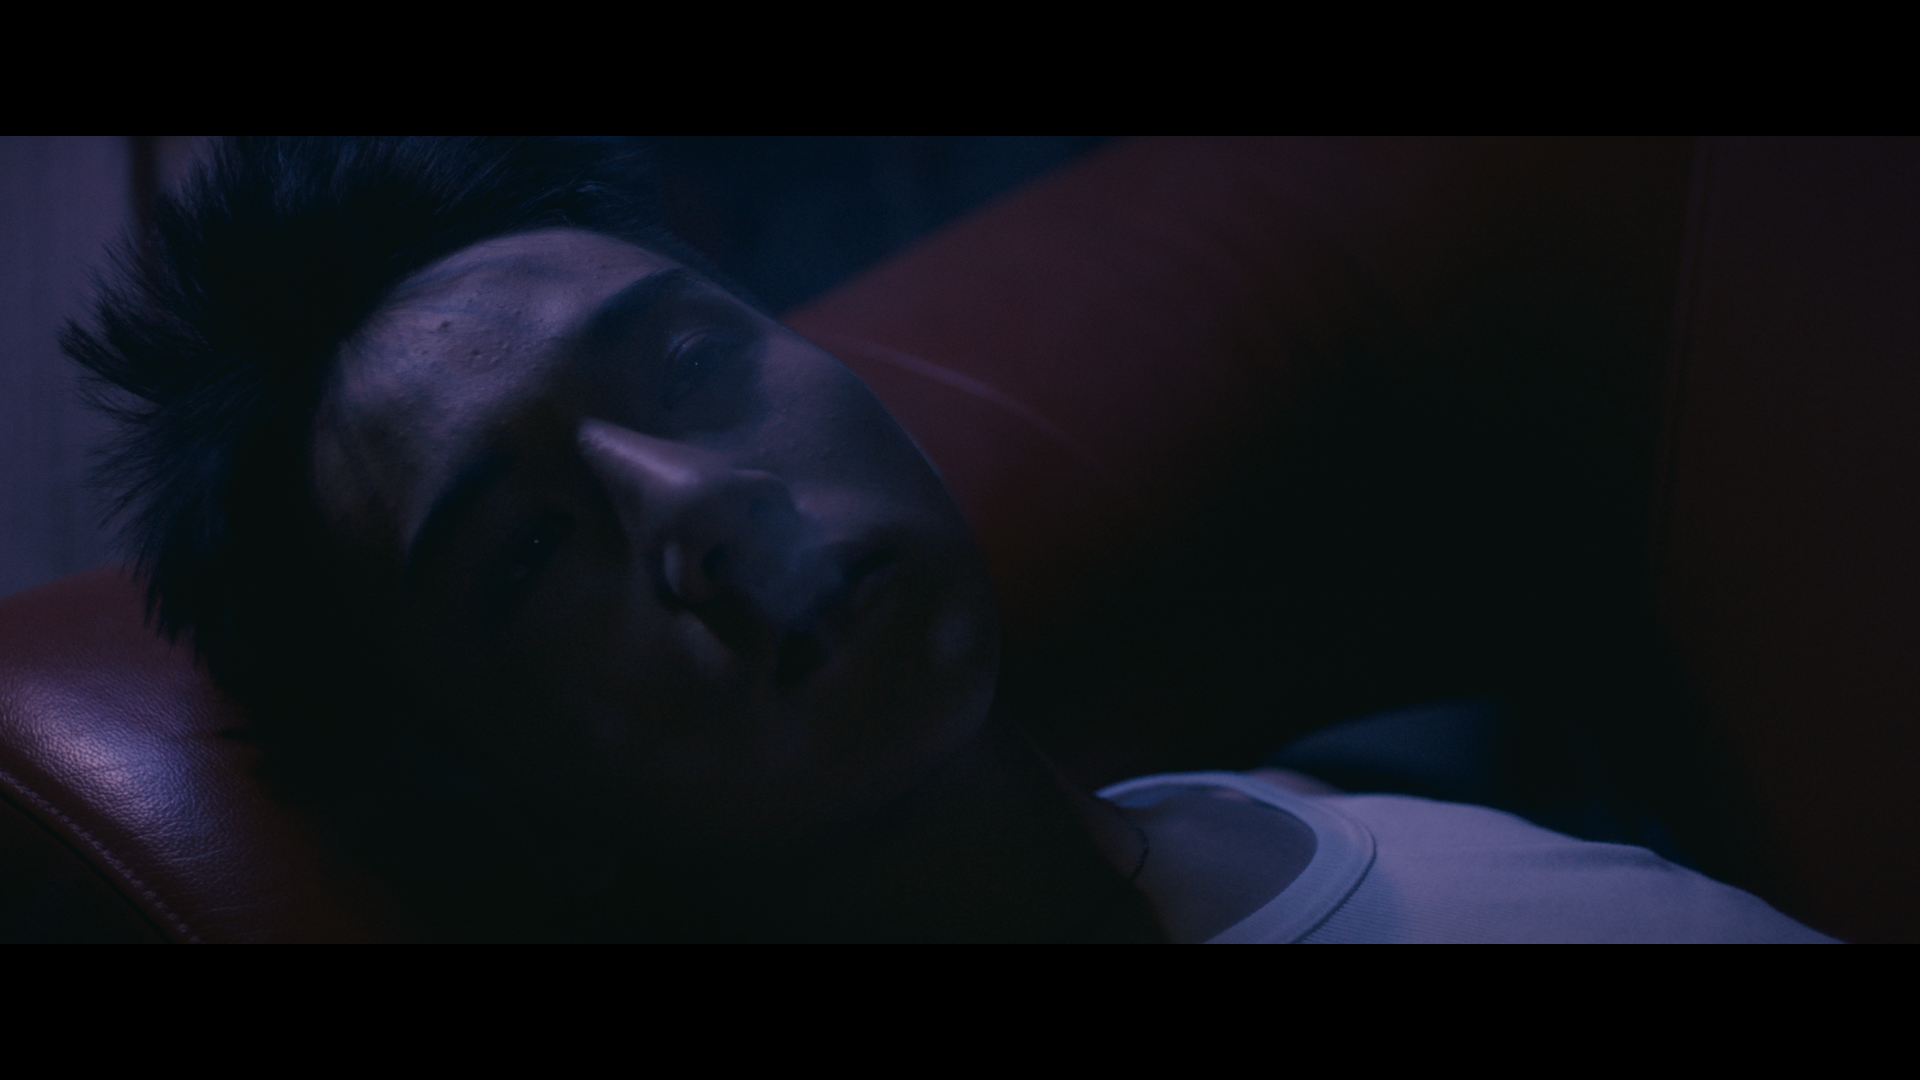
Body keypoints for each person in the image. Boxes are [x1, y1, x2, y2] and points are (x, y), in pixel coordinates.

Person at [64, 137, 1830, 941]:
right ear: (477, 783)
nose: (696, 503)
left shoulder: (1296, 805)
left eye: (687, 368)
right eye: (527, 555)